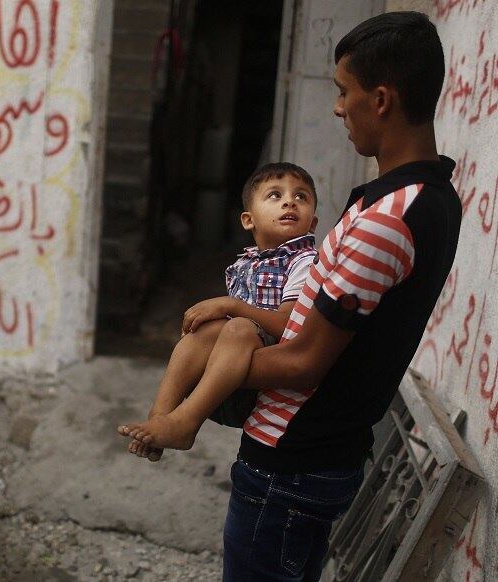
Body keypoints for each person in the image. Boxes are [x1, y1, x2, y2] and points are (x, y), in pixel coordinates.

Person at [207, 12, 458, 581]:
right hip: (309, 463)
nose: (338, 107)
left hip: (289, 470)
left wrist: (208, 372)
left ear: (382, 99)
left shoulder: (390, 218)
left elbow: (302, 362)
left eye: (345, 92)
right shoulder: (422, 196)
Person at [116, 162, 319, 460]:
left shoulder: (304, 261)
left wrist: (230, 305)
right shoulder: (245, 264)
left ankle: (187, 422)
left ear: (312, 223)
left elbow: (288, 324)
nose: (290, 201)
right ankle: (161, 415)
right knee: (206, 329)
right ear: (249, 221)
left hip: (273, 371)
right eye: (275, 195)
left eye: (301, 197)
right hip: (235, 380)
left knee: (237, 326)